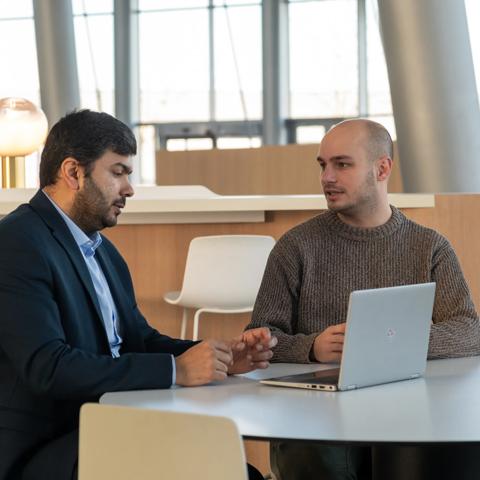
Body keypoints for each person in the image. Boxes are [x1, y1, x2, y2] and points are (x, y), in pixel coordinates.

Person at [0, 109, 276, 480]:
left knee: (239, 472)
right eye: (118, 172)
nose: (129, 189)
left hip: (107, 425)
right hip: (47, 445)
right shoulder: (17, 243)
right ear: (73, 172)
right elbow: (48, 367)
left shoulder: (103, 252)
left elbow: (139, 340)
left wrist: (218, 357)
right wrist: (177, 370)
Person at [246, 118, 480, 480]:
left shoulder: (429, 246)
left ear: (382, 169)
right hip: (319, 410)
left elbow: (469, 331)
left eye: (342, 164)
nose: (327, 177)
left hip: (407, 402)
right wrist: (312, 348)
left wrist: (390, 343)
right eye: (323, 165)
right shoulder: (296, 246)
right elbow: (260, 338)